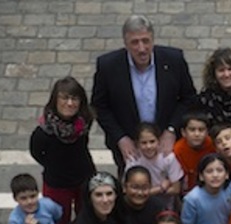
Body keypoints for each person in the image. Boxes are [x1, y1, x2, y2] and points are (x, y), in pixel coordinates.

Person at [92, 15, 196, 175]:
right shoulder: (108, 66)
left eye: (146, 41)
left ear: (152, 40)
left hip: (165, 145)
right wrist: (121, 138)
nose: (141, 48)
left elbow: (188, 98)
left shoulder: (174, 60)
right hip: (129, 148)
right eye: (135, 42)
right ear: (125, 43)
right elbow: (100, 106)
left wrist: (171, 130)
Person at [30, 76, 96, 224]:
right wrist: (55, 165)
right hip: (57, 183)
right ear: (55, 100)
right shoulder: (44, 132)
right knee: (59, 222)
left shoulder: (85, 120)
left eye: (74, 98)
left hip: (84, 177)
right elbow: (37, 153)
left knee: (88, 217)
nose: (70, 103)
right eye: (65, 98)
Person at [180, 153, 231, 224]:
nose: (215, 175)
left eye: (220, 170)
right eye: (209, 171)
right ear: (201, 176)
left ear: (227, 175)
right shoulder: (192, 199)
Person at [126, 122, 184, 211]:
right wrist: (160, 188)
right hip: (140, 206)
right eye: (144, 143)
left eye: (152, 141)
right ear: (137, 143)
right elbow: (127, 190)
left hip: (165, 207)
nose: (148, 146)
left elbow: (176, 189)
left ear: (159, 141)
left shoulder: (168, 158)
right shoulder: (133, 160)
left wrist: (143, 193)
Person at [198, 47, 231, 126]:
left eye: (230, 69)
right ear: (214, 74)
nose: (226, 74)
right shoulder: (205, 98)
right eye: (221, 70)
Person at [173, 110, 215, 193]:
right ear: (183, 132)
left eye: (201, 130)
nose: (197, 134)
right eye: (192, 130)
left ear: (207, 132)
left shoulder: (212, 145)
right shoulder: (177, 150)